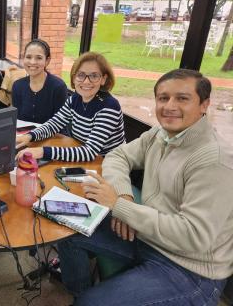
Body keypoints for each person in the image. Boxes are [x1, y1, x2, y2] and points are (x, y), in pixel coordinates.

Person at [58, 69, 233, 306]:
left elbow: (193, 236)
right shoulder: (160, 134)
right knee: (67, 228)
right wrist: (124, 198)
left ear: (204, 104)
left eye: (182, 98)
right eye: (163, 98)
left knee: (93, 303)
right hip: (146, 237)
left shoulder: (215, 160)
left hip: (189, 269)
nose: (169, 106)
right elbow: (117, 156)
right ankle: (82, 293)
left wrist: (119, 207)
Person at [16, 51, 124, 162]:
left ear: (103, 79)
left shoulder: (109, 107)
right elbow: (54, 124)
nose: (86, 82)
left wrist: (42, 151)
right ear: (74, 78)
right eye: (81, 75)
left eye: (94, 76)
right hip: (82, 156)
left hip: (108, 163)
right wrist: (29, 136)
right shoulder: (75, 99)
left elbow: (89, 152)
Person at [12, 39, 67, 124]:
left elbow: (60, 124)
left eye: (39, 58)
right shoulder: (17, 86)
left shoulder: (58, 87)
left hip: (52, 136)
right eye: (28, 57)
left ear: (47, 61)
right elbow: (17, 121)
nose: (32, 62)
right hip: (23, 136)